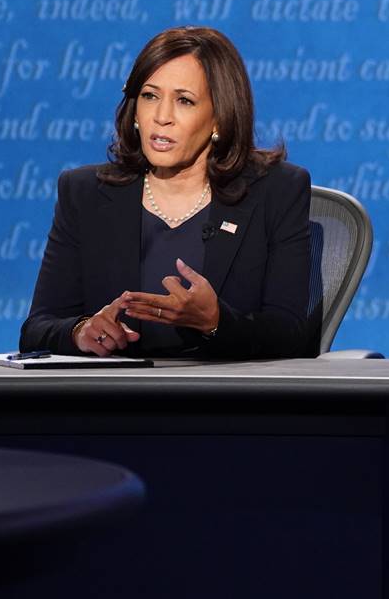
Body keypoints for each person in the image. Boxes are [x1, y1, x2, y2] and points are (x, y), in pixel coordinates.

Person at [20, 26, 314, 359]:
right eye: (150, 96)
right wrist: (80, 330)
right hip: (117, 390)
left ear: (219, 118)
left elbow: (291, 335)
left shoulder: (276, 190)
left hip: (222, 389)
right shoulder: (85, 193)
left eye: (184, 101)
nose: (162, 117)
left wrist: (216, 322)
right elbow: (37, 329)